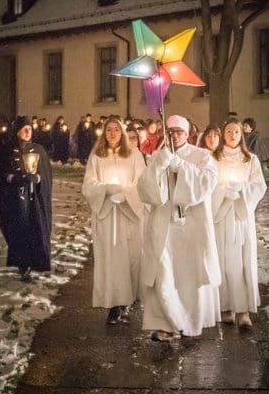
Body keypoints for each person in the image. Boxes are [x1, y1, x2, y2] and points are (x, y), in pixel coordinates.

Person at [136, 114, 220, 342]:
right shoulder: (158, 156)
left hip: (190, 226)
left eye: (179, 131)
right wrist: (159, 167)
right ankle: (167, 324)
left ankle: (189, 323)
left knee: (187, 276)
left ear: (187, 133)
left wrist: (181, 167)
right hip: (164, 225)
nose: (174, 135)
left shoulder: (202, 156)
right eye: (170, 131)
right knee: (164, 275)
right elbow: (145, 190)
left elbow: (206, 184)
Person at [81, 116, 147, 324]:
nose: (112, 134)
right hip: (107, 214)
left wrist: (126, 193)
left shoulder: (134, 155)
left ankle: (127, 301)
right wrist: (107, 190)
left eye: (116, 130)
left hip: (129, 214)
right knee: (111, 259)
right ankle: (113, 304)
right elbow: (88, 184)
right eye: (108, 130)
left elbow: (142, 182)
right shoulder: (97, 156)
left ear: (123, 133)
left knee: (130, 258)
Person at [211, 118, 268, 328]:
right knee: (224, 261)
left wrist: (242, 191)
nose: (232, 135)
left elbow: (259, 186)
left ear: (241, 135)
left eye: (236, 131)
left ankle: (244, 310)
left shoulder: (250, 159)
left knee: (243, 262)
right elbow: (208, 184)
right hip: (222, 215)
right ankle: (227, 306)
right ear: (223, 135)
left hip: (241, 217)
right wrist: (224, 191)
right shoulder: (214, 158)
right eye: (228, 131)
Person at [0, 116, 54, 281]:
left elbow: (46, 175)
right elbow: (0, 173)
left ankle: (37, 262)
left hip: (35, 200)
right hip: (16, 200)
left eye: (30, 129)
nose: (28, 132)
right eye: (24, 129)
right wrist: (14, 179)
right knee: (20, 230)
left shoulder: (38, 150)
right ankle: (23, 265)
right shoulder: (8, 150)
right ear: (17, 131)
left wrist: (38, 179)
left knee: (36, 228)